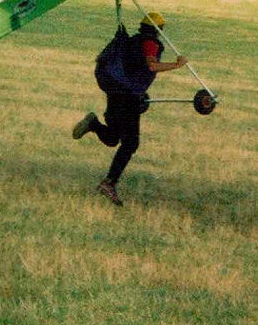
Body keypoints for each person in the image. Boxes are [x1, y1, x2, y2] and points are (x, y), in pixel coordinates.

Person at [72, 11, 187, 206]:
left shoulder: (134, 40)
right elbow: (152, 66)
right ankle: (109, 183)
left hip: (117, 90)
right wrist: (176, 65)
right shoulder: (150, 43)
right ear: (158, 29)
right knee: (131, 143)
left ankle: (94, 124)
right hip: (127, 96)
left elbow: (135, 68)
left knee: (113, 138)